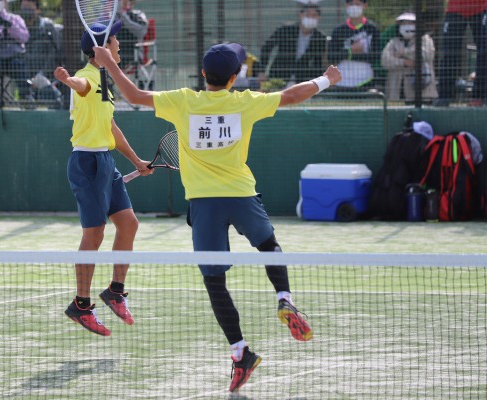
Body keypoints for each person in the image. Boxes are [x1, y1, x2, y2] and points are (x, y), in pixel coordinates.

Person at [93, 42, 341, 392]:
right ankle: (284, 298)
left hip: (204, 203)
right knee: (269, 245)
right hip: (241, 195)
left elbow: (132, 94)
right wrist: (326, 79)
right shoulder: (245, 102)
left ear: (204, 74)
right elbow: (290, 96)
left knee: (214, 281)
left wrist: (107, 63)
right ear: (235, 77)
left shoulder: (183, 101)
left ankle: (240, 352)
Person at [53, 20, 153, 337]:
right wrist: (68, 80)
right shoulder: (88, 78)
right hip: (87, 162)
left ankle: (115, 291)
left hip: (105, 161)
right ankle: (81, 305)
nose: (120, 45)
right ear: (101, 48)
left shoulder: (105, 79)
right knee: (94, 235)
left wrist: (136, 160)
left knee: (128, 224)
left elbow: (110, 127)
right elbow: (80, 86)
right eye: (115, 40)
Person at [255, 3, 327, 88]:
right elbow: (266, 48)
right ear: (300, 15)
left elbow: (318, 62)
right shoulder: (286, 30)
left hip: (303, 79)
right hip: (279, 75)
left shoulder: (320, 37)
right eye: (308, 15)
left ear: (318, 18)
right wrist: (261, 71)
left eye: (314, 15)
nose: (311, 18)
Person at [435, 0, 487, 107]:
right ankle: (444, 96)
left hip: (482, 6)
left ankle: (479, 95)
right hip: (455, 7)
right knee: (449, 52)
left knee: (484, 51)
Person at [381, 12, 438, 102]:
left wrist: (402, 53)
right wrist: (404, 62)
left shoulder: (426, 40)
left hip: (422, 90)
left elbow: (426, 55)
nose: (407, 26)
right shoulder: (393, 42)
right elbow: (385, 61)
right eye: (403, 23)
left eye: (410, 23)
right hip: (397, 91)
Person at [328, 0, 380, 89]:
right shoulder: (339, 30)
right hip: (342, 79)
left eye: (357, 4)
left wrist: (345, 54)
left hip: (365, 78)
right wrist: (350, 51)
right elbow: (331, 56)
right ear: (346, 6)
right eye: (351, 4)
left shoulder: (372, 28)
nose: (354, 6)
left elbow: (375, 56)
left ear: (364, 5)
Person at [19, 0, 63, 106]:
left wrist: (43, 73)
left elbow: (57, 52)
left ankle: (58, 100)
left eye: (29, 8)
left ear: (38, 10)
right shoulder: (19, 29)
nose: (26, 11)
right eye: (24, 8)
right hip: (24, 75)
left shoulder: (47, 25)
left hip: (47, 74)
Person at [116, 0, 149, 70]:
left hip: (134, 54)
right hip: (115, 53)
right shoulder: (114, 16)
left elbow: (141, 31)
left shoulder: (138, 14)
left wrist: (123, 16)